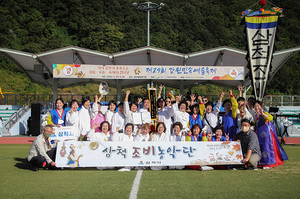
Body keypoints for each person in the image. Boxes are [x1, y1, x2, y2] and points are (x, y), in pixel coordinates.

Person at [254, 101, 288, 168]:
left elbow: (270, 118)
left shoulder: (265, 113)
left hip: (267, 136)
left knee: (267, 148)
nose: (256, 107)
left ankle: (269, 163)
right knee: (262, 149)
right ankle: (262, 163)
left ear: (261, 106)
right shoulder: (256, 116)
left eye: (258, 106)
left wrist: (263, 113)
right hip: (260, 136)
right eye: (255, 106)